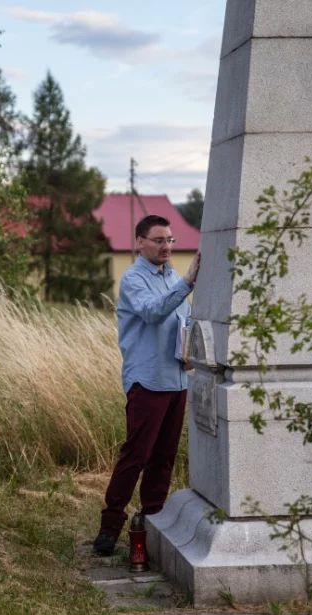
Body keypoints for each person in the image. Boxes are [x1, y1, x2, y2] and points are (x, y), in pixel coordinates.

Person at [93, 215, 201, 555]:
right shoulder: (133, 279)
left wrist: (189, 352)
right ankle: (110, 527)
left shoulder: (172, 276)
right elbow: (153, 312)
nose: (166, 246)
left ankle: (152, 519)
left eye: (169, 240)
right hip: (148, 380)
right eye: (158, 240)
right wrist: (186, 283)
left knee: (165, 456)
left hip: (177, 378)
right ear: (139, 242)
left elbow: (181, 321)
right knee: (136, 455)